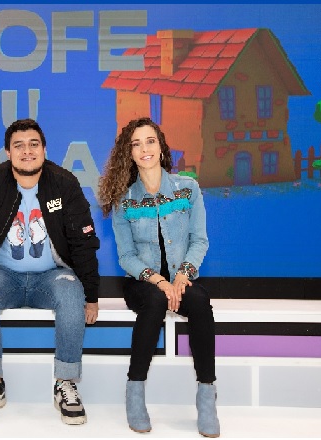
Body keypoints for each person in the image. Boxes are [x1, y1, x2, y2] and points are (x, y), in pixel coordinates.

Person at [0, 118, 100, 425]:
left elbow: (83, 243)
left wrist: (92, 297)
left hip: (51, 275)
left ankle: (65, 383)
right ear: (8, 152)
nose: (27, 151)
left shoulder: (64, 183)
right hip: (3, 275)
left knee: (73, 296)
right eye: (19, 146)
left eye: (33, 144)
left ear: (44, 149)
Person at [98, 117, 220, 437]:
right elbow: (126, 257)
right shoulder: (124, 199)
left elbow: (199, 241)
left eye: (150, 141)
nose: (144, 149)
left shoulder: (188, 189)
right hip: (143, 283)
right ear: (129, 153)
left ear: (161, 147)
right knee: (153, 301)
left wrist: (180, 277)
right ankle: (135, 392)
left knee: (200, 301)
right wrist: (162, 282)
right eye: (136, 144)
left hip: (182, 279)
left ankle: (207, 395)